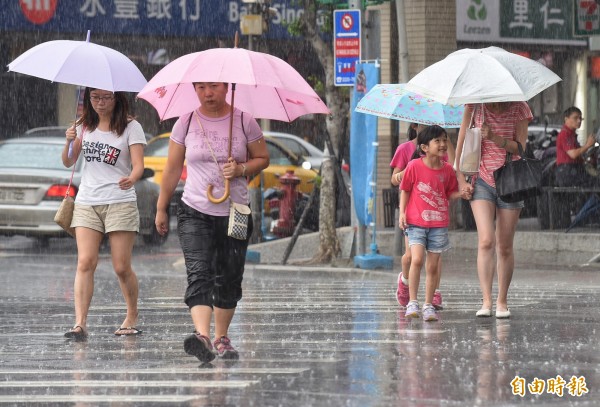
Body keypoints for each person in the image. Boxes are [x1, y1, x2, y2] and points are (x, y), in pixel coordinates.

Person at [155, 82, 269, 363]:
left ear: (226, 88)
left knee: (229, 278)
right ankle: (203, 337)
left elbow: (263, 158)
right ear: (195, 89)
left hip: (236, 212)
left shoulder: (244, 121)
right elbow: (171, 168)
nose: (208, 93)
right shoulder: (186, 122)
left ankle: (221, 336)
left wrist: (242, 168)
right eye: (202, 87)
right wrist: (160, 208)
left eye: (214, 87)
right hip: (194, 210)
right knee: (199, 272)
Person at [62, 88, 146, 340]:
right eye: (95, 97)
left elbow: (139, 164)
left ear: (116, 98)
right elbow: (68, 162)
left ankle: (131, 315)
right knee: (85, 262)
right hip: (87, 201)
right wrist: (68, 140)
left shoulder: (131, 127)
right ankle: (80, 323)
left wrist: (131, 178)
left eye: (106, 97)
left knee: (121, 266)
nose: (100, 102)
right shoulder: (83, 126)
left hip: (120, 201)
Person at [455, 102, 532, 319]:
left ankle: (502, 300)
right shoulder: (475, 107)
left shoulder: (520, 108)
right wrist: (461, 179)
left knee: (504, 245)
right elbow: (461, 143)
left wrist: (495, 138)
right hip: (482, 180)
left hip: (511, 180)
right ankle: (487, 299)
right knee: (486, 240)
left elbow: (521, 148)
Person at [398, 126, 462, 321]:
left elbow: (450, 193)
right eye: (438, 141)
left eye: (444, 140)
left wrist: (463, 194)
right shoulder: (414, 166)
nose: (443, 144)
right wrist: (402, 212)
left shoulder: (448, 170)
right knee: (416, 259)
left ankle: (428, 305)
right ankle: (412, 302)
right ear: (425, 147)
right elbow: (406, 189)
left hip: (439, 224)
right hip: (416, 221)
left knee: (433, 266)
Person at [555, 106, 599, 187]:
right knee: (596, 185)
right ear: (566, 119)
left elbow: (578, 153)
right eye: (575, 118)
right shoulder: (565, 134)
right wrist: (587, 145)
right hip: (568, 172)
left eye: (580, 118)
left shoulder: (572, 135)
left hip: (574, 170)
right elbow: (573, 154)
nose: (579, 121)